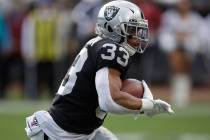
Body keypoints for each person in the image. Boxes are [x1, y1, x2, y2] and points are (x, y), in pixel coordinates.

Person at [25, 1, 174, 140]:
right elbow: (107, 101)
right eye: (132, 30)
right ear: (113, 27)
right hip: (60, 133)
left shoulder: (98, 43)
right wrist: (146, 105)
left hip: (82, 129)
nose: (137, 37)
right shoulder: (113, 49)